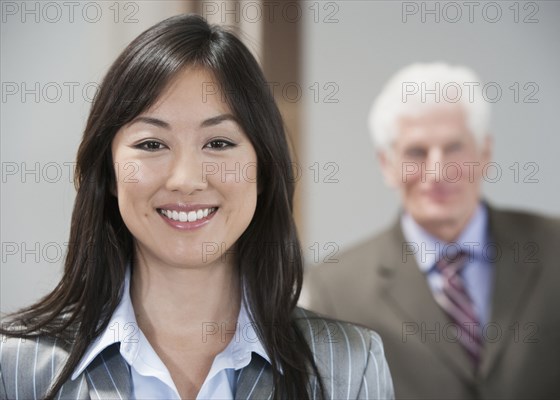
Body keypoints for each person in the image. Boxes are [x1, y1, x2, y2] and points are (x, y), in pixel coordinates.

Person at [0, 14, 394, 399]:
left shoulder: (347, 366)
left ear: (263, 169)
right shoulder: (15, 366)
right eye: (152, 144)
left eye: (218, 143)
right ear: (109, 173)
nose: (186, 179)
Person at [304, 62, 560, 399]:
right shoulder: (337, 289)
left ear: (485, 153)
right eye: (417, 152)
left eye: (454, 148)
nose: (438, 171)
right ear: (387, 165)